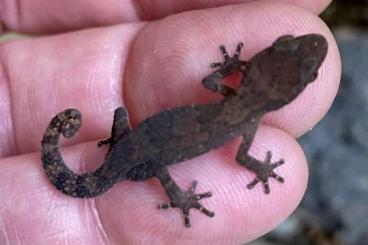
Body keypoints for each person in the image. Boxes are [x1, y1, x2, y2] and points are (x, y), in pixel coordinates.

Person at [0, 0, 340, 244]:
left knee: (128, 126)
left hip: (133, 147)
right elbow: (241, 157)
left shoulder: (236, 104)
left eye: (306, 74)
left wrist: (235, 65)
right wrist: (257, 172)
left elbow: (210, 83)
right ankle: (174, 194)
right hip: (138, 158)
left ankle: (118, 148)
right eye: (285, 44)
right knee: (154, 159)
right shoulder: (246, 123)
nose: (296, 44)